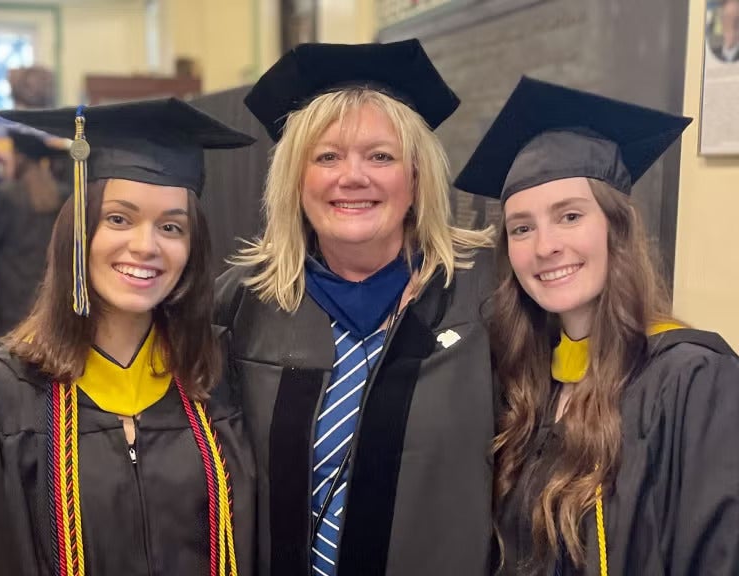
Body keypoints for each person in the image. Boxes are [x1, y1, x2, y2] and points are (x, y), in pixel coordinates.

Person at [214, 40, 497, 576]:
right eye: (327, 156)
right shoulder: (241, 305)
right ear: (296, 180)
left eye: (380, 156)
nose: (353, 177)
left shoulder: (483, 299)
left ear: (416, 177)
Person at [455, 76, 739, 575]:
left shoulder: (693, 381)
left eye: (568, 216)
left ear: (617, 227)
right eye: (522, 227)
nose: (544, 246)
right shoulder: (523, 384)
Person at [0, 97, 257, 575]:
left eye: (171, 226)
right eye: (119, 219)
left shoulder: (221, 373)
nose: (145, 246)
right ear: (79, 230)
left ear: (192, 247)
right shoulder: (1, 396)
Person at [0, 130, 69, 341]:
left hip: (9, 304)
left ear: (19, 158)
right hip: (49, 298)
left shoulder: (4, 198)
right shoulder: (63, 195)